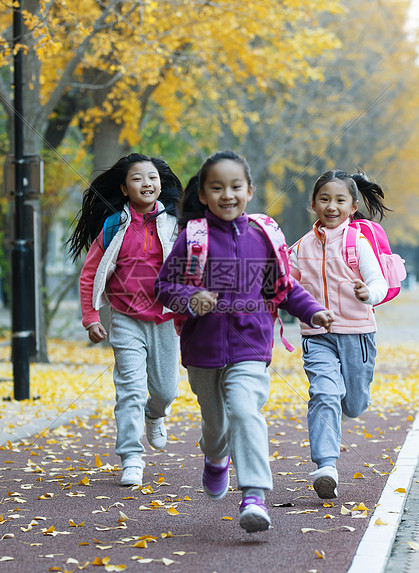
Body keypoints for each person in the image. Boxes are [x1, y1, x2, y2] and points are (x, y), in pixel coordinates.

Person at [154, 150, 336, 533]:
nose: (227, 195)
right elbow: (164, 287)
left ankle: (254, 494)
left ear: (249, 190)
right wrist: (191, 298)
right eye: (216, 187)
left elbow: (283, 287)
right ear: (203, 195)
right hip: (202, 350)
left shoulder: (263, 235)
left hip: (251, 346)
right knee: (215, 424)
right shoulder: (193, 237)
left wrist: (312, 311)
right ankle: (216, 458)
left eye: (235, 186)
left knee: (245, 410)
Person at [67, 153, 183, 487]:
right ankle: (131, 456)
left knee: (166, 390)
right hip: (125, 319)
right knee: (129, 390)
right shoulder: (114, 226)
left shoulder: (174, 224)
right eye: (137, 178)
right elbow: (90, 273)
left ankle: (155, 413)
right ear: (124, 187)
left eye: (152, 177)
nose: (147, 183)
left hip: (165, 319)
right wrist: (91, 318)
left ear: (161, 184)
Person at [289, 170, 391, 500]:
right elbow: (280, 283)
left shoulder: (356, 242)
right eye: (324, 199)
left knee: (355, 403)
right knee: (323, 394)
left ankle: (348, 404)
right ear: (313, 204)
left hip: (358, 334)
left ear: (353, 206)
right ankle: (326, 466)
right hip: (317, 334)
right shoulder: (301, 246)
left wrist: (369, 294)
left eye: (339, 200)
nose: (331, 206)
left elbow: (379, 282)